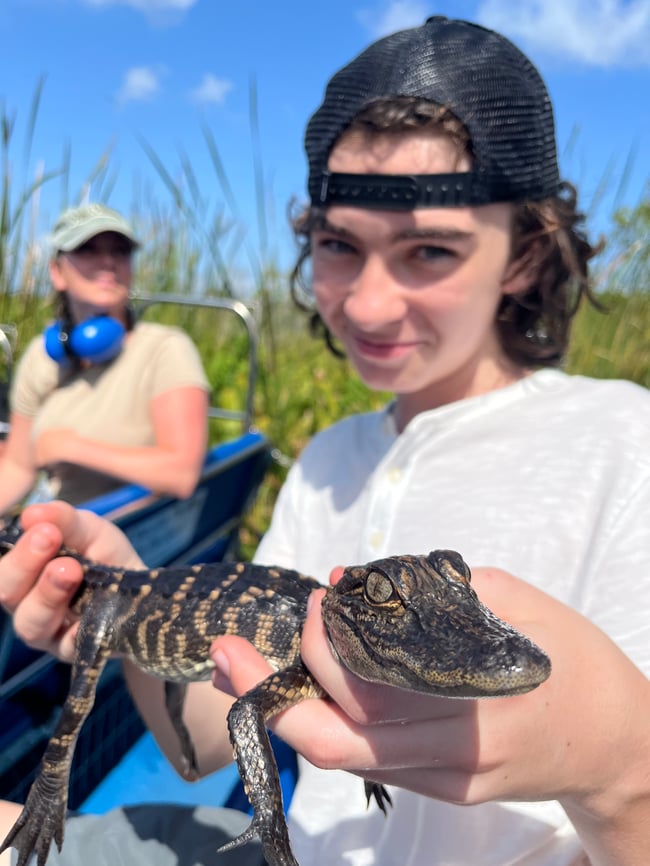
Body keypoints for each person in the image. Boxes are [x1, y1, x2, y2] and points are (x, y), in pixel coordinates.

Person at [1, 15, 649, 866]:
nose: (370, 305)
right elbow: (201, 750)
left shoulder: (625, 445)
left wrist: (621, 767)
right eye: (338, 244)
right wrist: (133, 608)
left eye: (430, 249)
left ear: (526, 254)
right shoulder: (323, 464)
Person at [0, 203, 209, 511]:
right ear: (57, 272)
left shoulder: (166, 349)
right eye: (87, 249)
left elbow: (181, 473)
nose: (108, 261)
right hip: (53, 524)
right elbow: (18, 466)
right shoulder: (39, 357)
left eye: (120, 251)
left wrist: (76, 448)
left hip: (123, 536)